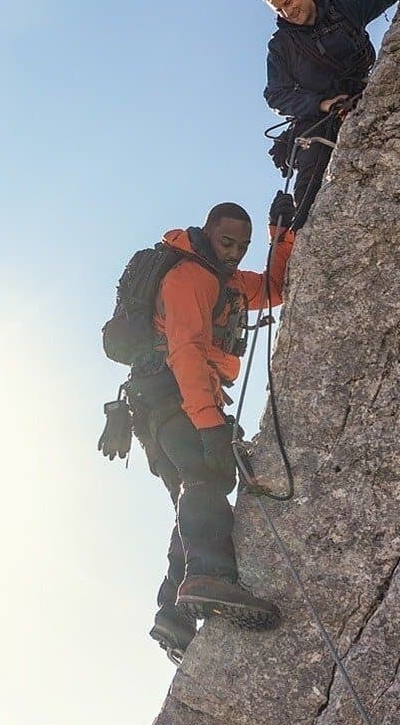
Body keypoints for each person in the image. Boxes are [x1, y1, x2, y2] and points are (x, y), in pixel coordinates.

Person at [127, 203, 297, 662]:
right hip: (172, 396)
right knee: (205, 475)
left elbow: (275, 290)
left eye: (242, 247)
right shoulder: (190, 279)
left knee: (194, 492)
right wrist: (209, 426)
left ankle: (174, 615)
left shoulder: (227, 281)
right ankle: (209, 577)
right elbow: (185, 353)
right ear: (207, 233)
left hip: (161, 406)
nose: (236, 254)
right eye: (227, 243)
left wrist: (279, 238)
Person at [263, 0, 400, 230]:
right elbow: (276, 94)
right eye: (280, 10)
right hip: (318, 120)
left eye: (289, 2)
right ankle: (303, 237)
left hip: (367, 97)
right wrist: (322, 104)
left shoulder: (345, 7)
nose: (288, 12)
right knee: (311, 174)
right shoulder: (281, 46)